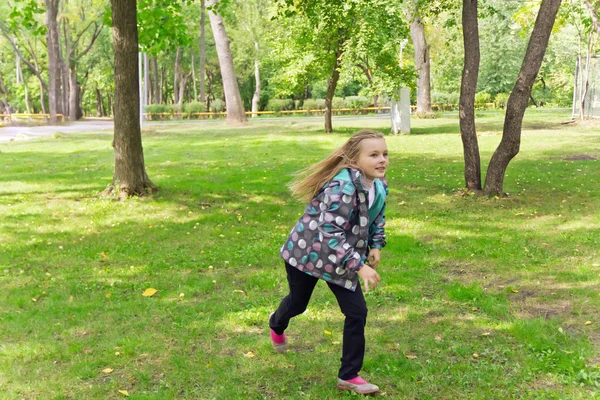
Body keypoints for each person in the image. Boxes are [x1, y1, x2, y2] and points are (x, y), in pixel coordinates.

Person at [269, 130, 389, 395]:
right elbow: (329, 233)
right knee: (298, 304)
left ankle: (349, 375)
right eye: (374, 155)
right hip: (307, 254)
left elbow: (377, 216)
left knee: (357, 312)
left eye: (384, 154)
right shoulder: (342, 186)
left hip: (340, 259)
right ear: (355, 161)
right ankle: (276, 323)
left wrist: (376, 245)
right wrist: (360, 265)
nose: (382, 160)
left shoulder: (378, 184)